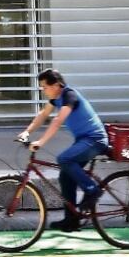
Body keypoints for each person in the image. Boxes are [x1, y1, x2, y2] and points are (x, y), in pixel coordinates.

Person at [17, 69, 109, 232]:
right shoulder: (56, 98)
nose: (43, 90)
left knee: (64, 159)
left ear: (57, 85)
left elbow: (58, 121)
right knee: (65, 176)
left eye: (45, 87)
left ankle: (92, 190)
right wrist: (27, 131)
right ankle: (71, 220)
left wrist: (41, 142)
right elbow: (43, 115)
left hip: (95, 140)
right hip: (83, 140)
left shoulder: (69, 95)